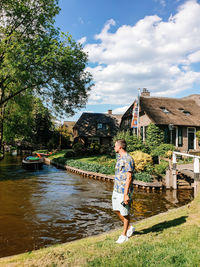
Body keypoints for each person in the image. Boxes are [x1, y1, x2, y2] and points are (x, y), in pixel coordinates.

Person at [112, 139, 135, 244]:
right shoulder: (119, 157)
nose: (114, 147)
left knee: (124, 213)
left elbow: (129, 177)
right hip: (116, 189)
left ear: (120, 147)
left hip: (123, 191)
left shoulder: (128, 159)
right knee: (116, 209)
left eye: (115, 146)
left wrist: (126, 194)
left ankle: (124, 235)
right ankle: (130, 227)